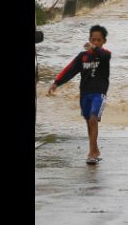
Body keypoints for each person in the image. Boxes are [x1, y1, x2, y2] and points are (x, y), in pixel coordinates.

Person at [48, 25, 111, 165]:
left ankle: (91, 153)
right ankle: (94, 150)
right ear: (89, 39)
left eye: (99, 40)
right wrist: (56, 83)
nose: (96, 42)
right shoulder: (83, 57)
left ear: (104, 41)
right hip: (84, 93)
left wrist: (94, 48)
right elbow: (70, 70)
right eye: (93, 40)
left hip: (99, 93)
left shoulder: (105, 55)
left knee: (93, 119)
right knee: (89, 121)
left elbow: (104, 56)